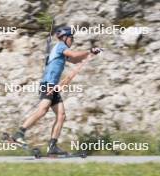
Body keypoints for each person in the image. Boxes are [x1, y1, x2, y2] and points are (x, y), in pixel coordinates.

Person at [12, 26, 102, 155]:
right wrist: (89, 50)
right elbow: (74, 54)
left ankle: (52, 146)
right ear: (65, 38)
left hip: (53, 86)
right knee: (42, 110)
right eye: (71, 38)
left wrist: (91, 53)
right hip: (48, 83)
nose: (72, 40)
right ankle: (19, 134)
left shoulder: (62, 50)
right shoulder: (60, 46)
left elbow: (75, 60)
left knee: (61, 115)